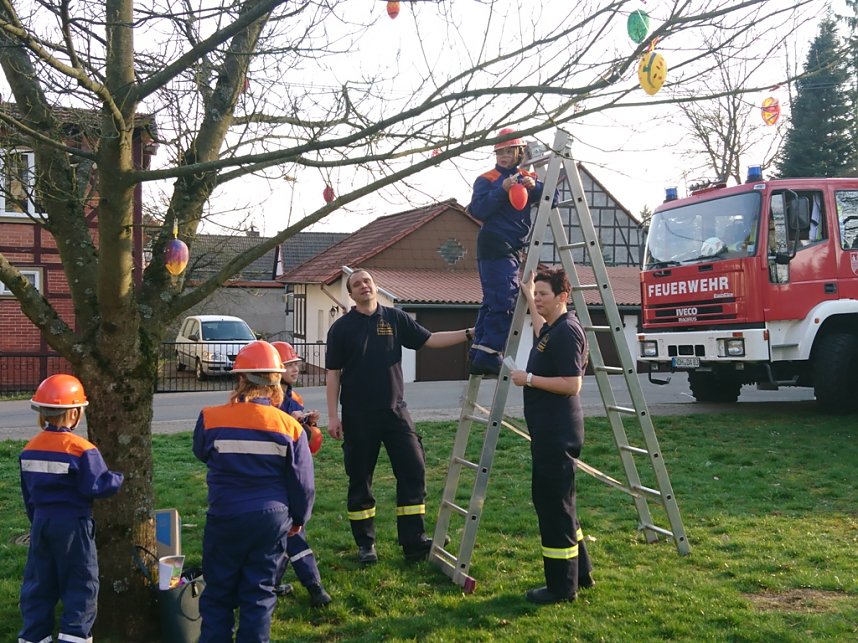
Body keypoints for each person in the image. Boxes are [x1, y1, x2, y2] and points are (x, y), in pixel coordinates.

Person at [325, 268, 472, 564]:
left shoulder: (395, 318)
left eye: (367, 281)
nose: (363, 286)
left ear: (375, 287)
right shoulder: (341, 329)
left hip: (395, 412)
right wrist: (332, 416)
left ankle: (414, 542)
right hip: (358, 416)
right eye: (357, 284)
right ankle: (366, 544)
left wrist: (469, 334)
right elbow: (332, 374)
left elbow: (430, 340)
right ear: (351, 295)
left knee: (413, 471)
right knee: (360, 479)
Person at [194, 340, 314, 641]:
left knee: (218, 595)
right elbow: (302, 483)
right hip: (271, 520)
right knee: (259, 596)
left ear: (240, 379)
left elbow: (201, 451)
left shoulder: (210, 417)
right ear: (276, 382)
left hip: (225, 515)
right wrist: (299, 519)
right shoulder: (290, 426)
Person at [510, 268, 595, 604]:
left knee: (552, 506)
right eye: (538, 293)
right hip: (550, 431)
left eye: (545, 293)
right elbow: (540, 328)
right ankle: (581, 573)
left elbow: (572, 384)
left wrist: (528, 379)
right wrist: (530, 296)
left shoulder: (567, 332)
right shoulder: (553, 329)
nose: (539, 299)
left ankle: (561, 588)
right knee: (563, 505)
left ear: (563, 296)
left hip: (557, 433)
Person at [18, 374, 124, 643]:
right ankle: (73, 637)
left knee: (38, 586)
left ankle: (33, 637)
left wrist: (38, 520)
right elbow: (97, 486)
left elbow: (28, 493)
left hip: (41, 523)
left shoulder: (29, 449)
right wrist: (120, 478)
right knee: (81, 585)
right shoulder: (81, 449)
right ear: (75, 412)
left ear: (42, 412)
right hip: (73, 524)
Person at [466, 127, 545, 376]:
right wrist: (502, 189)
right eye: (500, 151)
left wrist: (536, 186)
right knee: (505, 300)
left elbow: (551, 199)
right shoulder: (487, 179)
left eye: (509, 150)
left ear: (519, 151)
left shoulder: (525, 175)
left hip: (512, 246)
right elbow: (477, 210)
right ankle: (489, 354)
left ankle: (479, 353)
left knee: (493, 301)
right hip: (494, 243)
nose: (503, 155)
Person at [271, 341, 332, 608]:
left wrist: (309, 423)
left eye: (297, 363)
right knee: (293, 531)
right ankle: (314, 586)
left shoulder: (294, 398)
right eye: (289, 364)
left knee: (286, 532)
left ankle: (271, 585)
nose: (296, 367)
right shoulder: (266, 400)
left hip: (294, 470)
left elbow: (305, 443)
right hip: (275, 474)